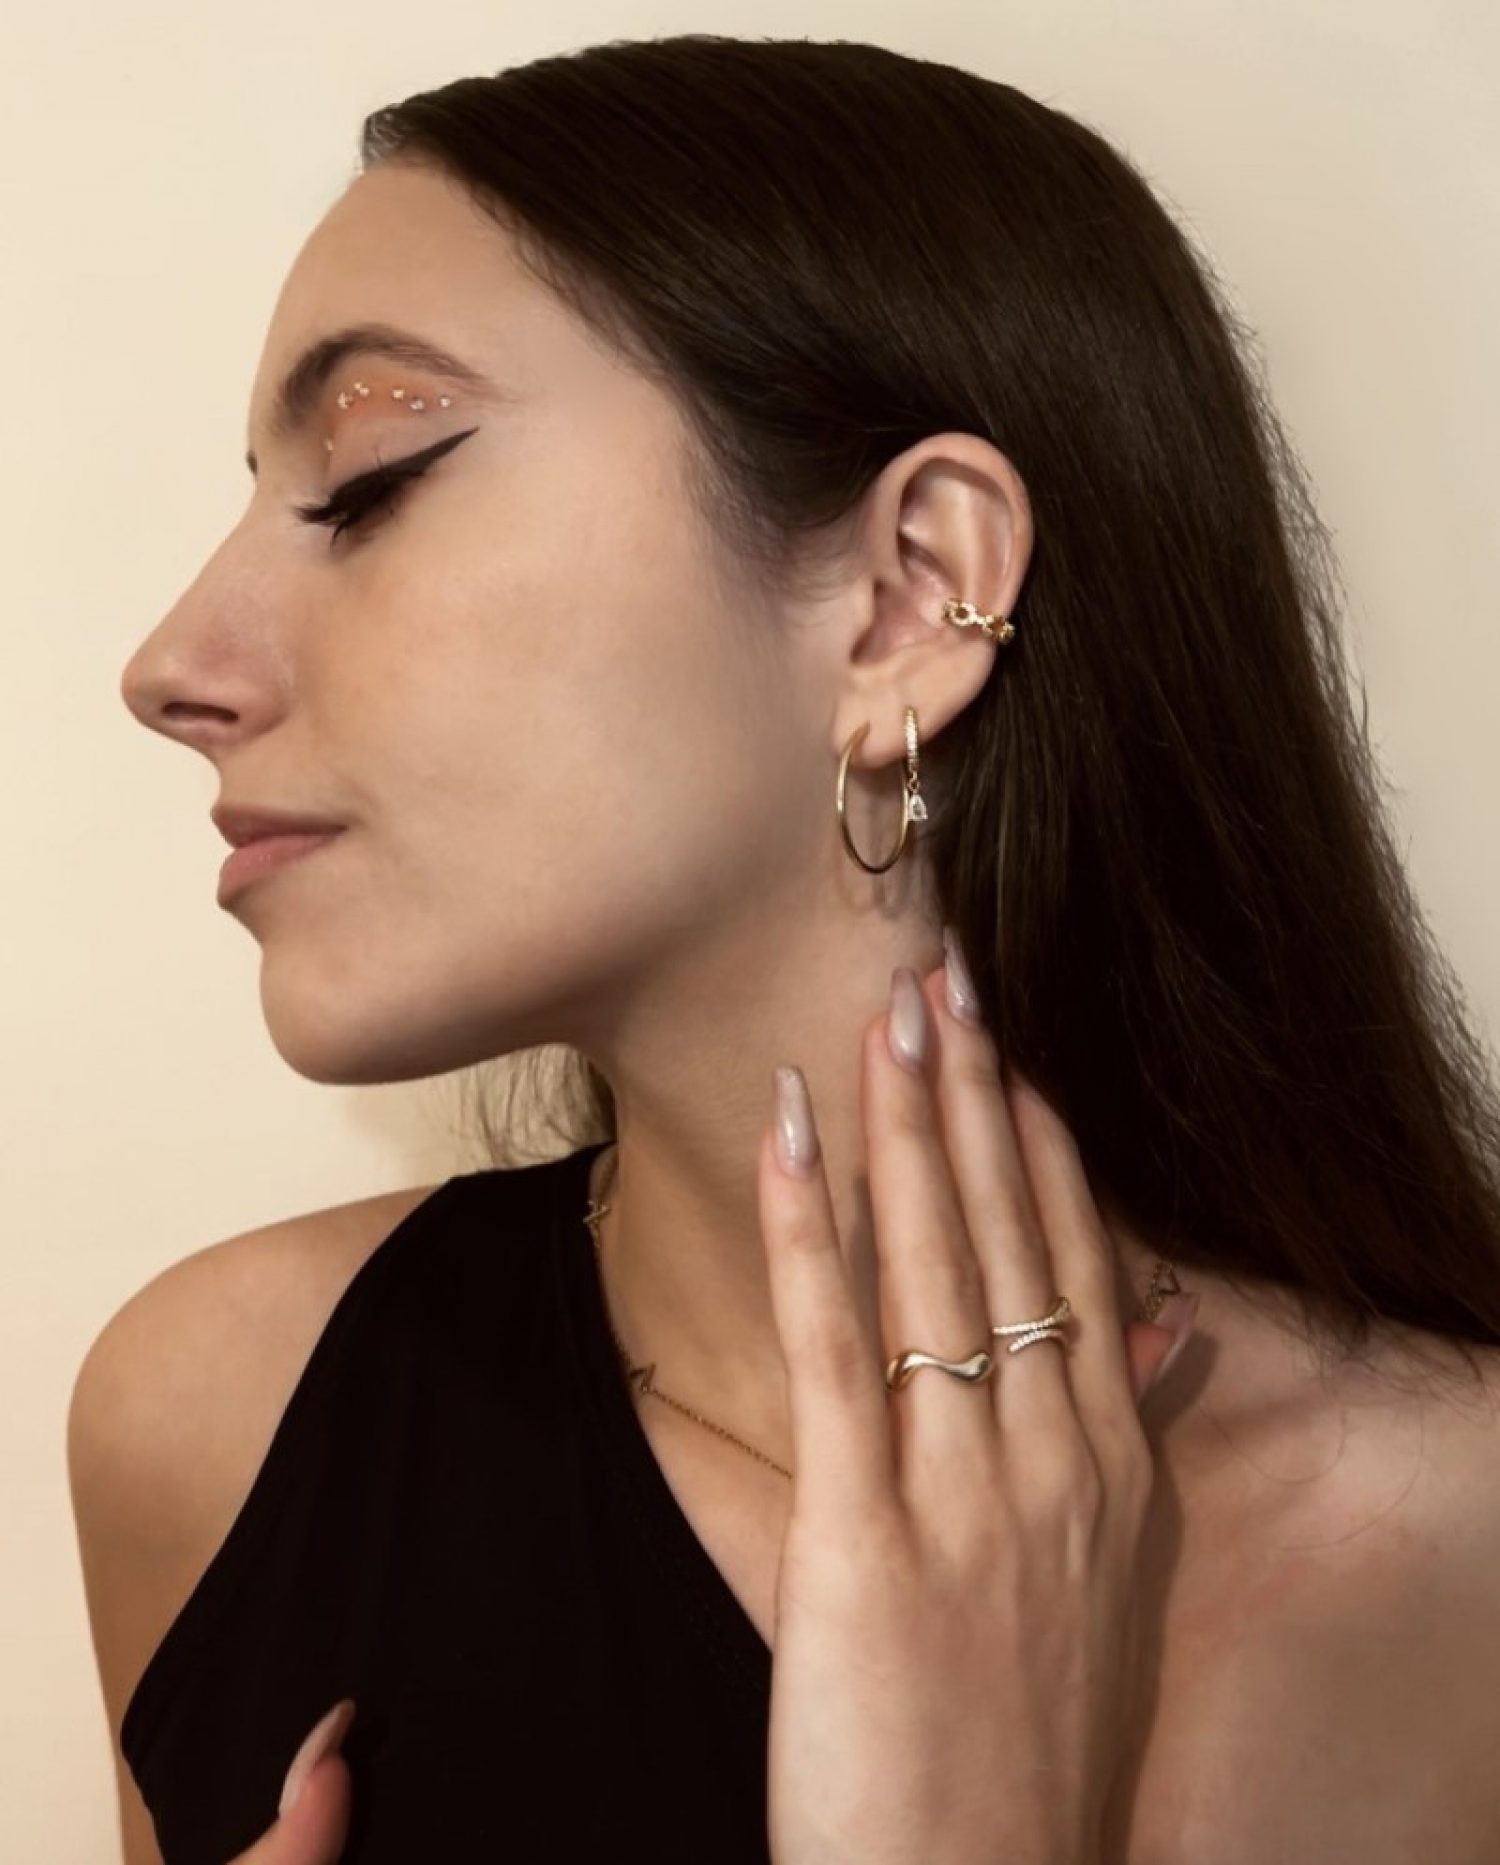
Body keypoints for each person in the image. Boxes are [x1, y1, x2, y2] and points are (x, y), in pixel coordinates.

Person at [72, 32, 1500, 1865]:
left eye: (371, 478)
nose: (172, 665)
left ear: (914, 593)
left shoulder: (1454, 1570)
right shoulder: (212, 1426)